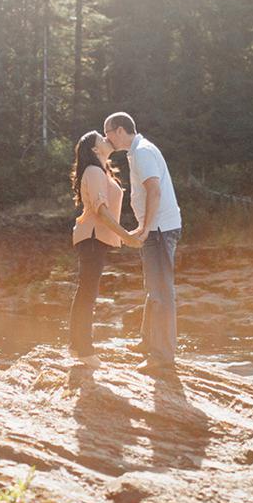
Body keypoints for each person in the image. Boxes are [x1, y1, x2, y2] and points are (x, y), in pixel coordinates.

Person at [103, 111, 182, 374]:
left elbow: (155, 190)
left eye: (108, 133)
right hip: (156, 228)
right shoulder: (137, 152)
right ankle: (148, 342)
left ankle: (162, 357)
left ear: (120, 131)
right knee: (153, 289)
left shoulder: (144, 152)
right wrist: (143, 226)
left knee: (161, 293)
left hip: (159, 230)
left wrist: (147, 228)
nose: (107, 138)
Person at [68, 130, 140, 369]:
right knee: (87, 293)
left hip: (94, 238)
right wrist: (126, 235)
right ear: (95, 149)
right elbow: (101, 210)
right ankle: (84, 350)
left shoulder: (101, 171)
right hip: (91, 237)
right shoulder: (94, 171)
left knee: (86, 292)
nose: (106, 138)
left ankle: (77, 346)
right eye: (102, 138)